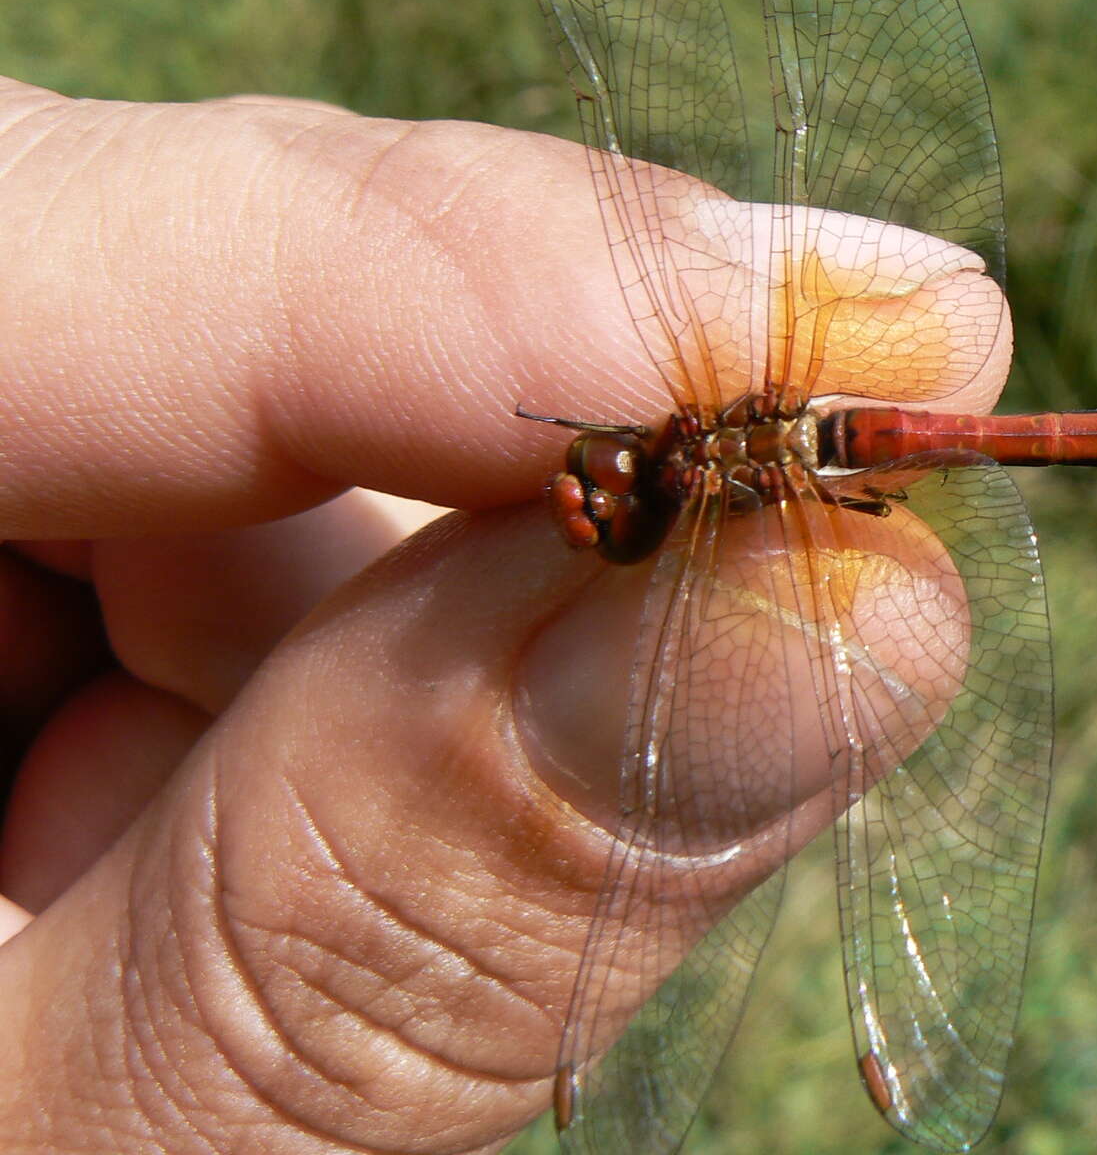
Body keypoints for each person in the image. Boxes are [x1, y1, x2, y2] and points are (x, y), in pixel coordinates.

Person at [0, 77, 1008, 1151]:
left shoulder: (698, 473)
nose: (585, 496)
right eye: (598, 481)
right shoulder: (711, 444)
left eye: (601, 486)